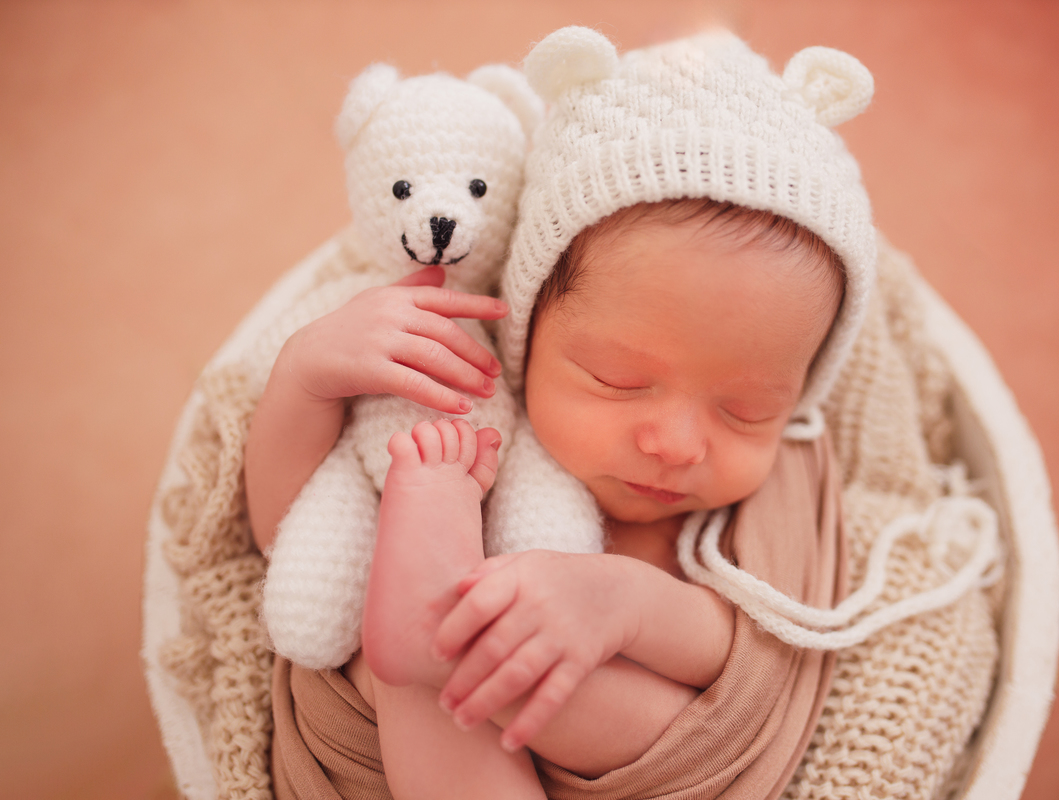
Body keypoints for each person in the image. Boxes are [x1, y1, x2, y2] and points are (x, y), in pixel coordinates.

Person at [247, 28, 878, 800]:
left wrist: (625, 604)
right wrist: (305, 379)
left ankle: (435, 630)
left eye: (749, 411)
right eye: (617, 379)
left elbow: (754, 657)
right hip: (420, 733)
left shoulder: (769, 501)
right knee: (413, 678)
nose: (676, 445)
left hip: (662, 749)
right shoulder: (460, 411)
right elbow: (284, 528)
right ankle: (431, 627)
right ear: (525, 333)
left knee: (449, 664)